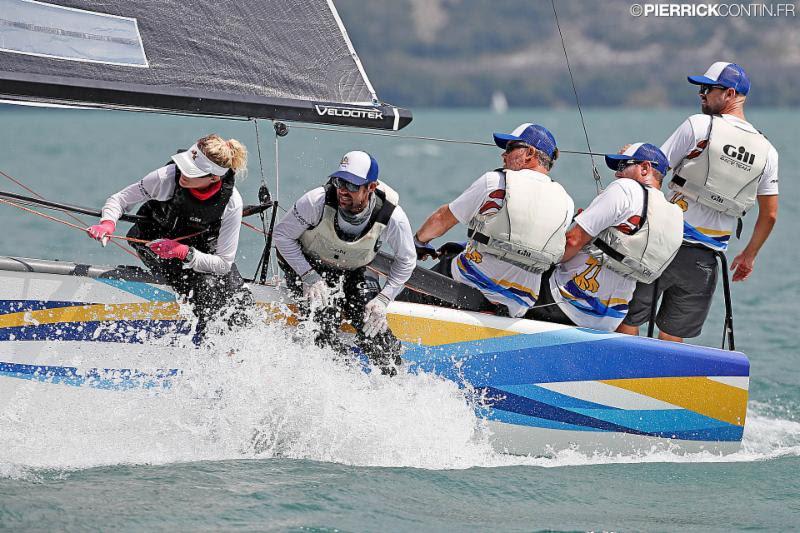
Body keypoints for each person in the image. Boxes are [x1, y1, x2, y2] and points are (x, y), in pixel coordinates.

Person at [619, 62, 779, 342]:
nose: (701, 95)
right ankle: (658, 385)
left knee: (627, 317)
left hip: (662, 246)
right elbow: (770, 215)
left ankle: (612, 380)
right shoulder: (768, 151)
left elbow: (654, 172)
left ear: (730, 93)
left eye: (707, 89)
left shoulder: (699, 125)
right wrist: (749, 255)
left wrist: (630, 164)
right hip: (705, 261)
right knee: (672, 337)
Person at [87, 133, 252, 339]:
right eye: (184, 165)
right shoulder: (165, 177)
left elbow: (223, 264)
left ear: (214, 178)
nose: (183, 173)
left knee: (241, 300)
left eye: (193, 172)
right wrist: (108, 223)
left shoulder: (232, 202)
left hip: (198, 247)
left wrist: (183, 252)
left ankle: (237, 355)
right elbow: (120, 200)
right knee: (205, 288)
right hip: (155, 239)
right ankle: (203, 346)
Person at [273, 150, 415, 375]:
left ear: (371, 187)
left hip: (354, 271)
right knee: (323, 322)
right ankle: (340, 380)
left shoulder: (393, 217)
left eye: (352, 186)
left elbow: (407, 260)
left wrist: (384, 298)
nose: (343, 191)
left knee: (374, 328)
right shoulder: (315, 201)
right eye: (340, 182)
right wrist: (307, 274)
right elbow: (281, 236)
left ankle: (396, 382)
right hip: (309, 267)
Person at [414, 123, 574, 318]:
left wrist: (418, 243)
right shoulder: (566, 202)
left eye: (510, 148)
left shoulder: (495, 181)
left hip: (472, 283)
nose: (503, 155)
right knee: (459, 249)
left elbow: (442, 219)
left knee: (423, 281)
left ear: (530, 153)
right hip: (521, 302)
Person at [528, 143, 683, 331]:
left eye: (623, 166)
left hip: (564, 302)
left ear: (645, 168)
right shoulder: (674, 214)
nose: (617, 174)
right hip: (611, 318)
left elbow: (572, 241)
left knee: (509, 273)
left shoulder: (626, 188)